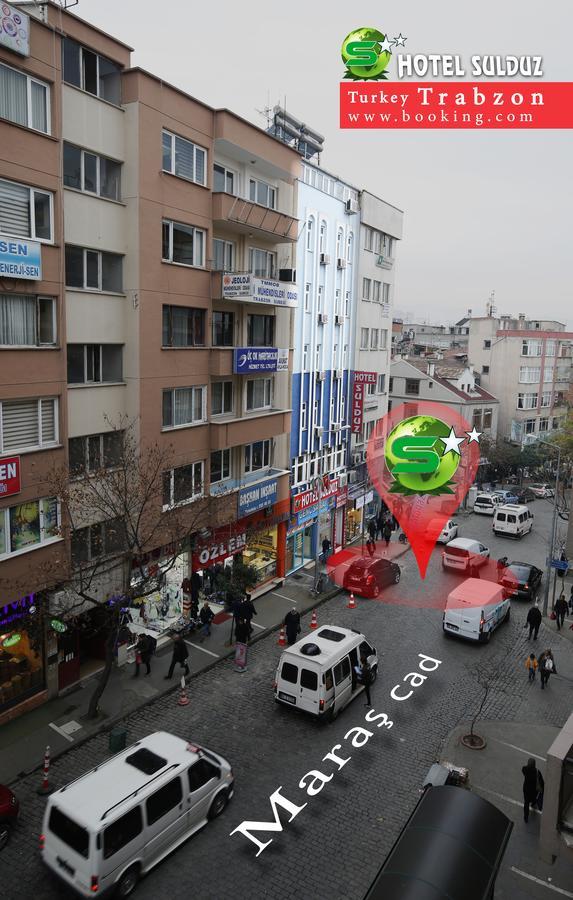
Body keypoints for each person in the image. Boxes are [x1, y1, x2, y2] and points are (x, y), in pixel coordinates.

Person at [522, 758, 543, 823]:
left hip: (526, 789)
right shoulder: (537, 772)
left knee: (526, 802)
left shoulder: (524, 769)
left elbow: (523, 769)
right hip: (534, 791)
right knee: (534, 798)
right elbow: (541, 781)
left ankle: (526, 817)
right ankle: (533, 803)